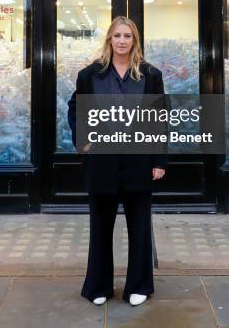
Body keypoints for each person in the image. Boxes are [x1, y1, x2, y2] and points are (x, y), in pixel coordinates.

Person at [67, 16, 167, 307]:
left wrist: (159, 159)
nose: (122, 41)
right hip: (101, 161)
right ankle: (98, 286)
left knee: (139, 227)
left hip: (139, 160)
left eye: (128, 36)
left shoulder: (151, 75)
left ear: (135, 41)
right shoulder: (90, 75)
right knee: (100, 226)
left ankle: (139, 285)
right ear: (109, 39)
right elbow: (75, 109)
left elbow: (159, 119)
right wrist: (82, 140)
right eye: (117, 36)